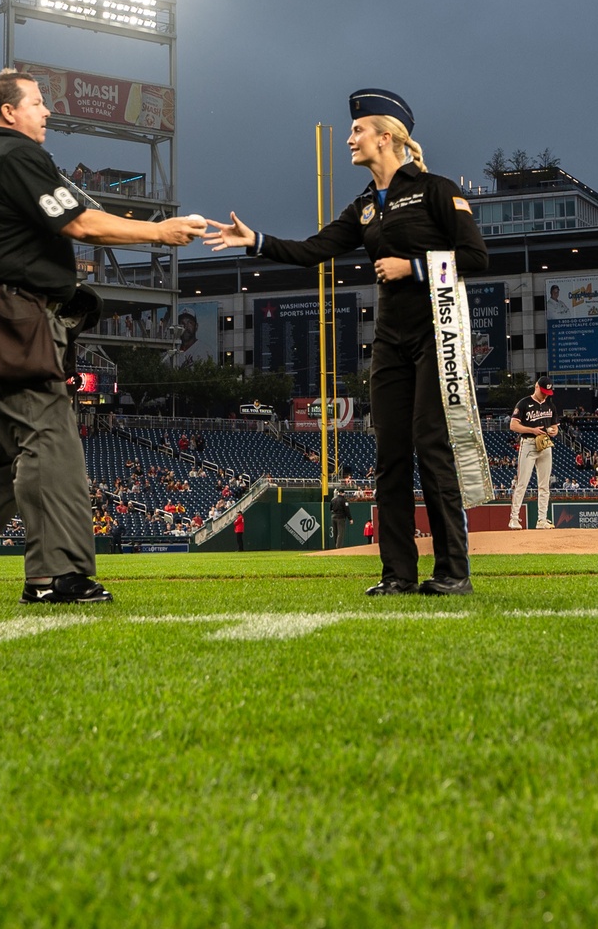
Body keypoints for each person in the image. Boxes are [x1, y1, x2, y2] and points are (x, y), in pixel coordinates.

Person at [0, 69, 204, 605]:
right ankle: (53, 576)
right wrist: (161, 232)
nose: (48, 112)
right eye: (37, 103)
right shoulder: (14, 155)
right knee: (48, 433)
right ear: (8, 112)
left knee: (4, 453)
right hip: (6, 313)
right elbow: (82, 224)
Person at [206, 87, 488, 595]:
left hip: (435, 336)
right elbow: (314, 249)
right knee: (390, 456)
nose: (350, 138)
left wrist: (413, 267)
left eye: (358, 131)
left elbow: (476, 257)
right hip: (390, 341)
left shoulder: (436, 191)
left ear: (386, 136)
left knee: (431, 445)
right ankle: (398, 575)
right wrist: (256, 242)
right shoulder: (363, 207)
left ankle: (452, 572)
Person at [508, 375, 561, 529]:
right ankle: (514, 519)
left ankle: (542, 520)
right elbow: (513, 425)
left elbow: (555, 427)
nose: (545, 394)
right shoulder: (524, 403)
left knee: (544, 485)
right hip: (528, 444)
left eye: (548, 392)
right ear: (536, 386)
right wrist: (532, 430)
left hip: (545, 444)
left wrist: (553, 431)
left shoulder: (550, 406)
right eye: (543, 391)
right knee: (522, 483)